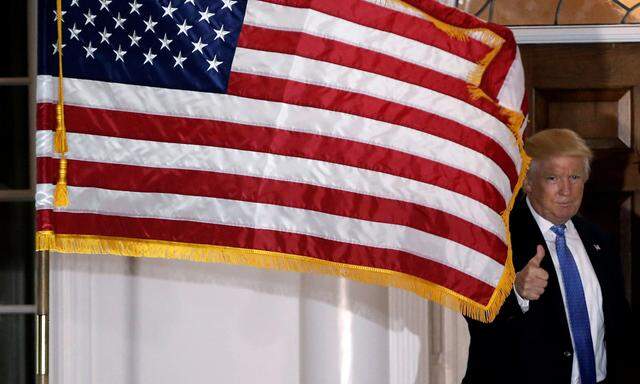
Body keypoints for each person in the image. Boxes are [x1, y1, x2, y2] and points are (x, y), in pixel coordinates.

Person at [463, 129, 630, 384]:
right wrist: (516, 293)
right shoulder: (497, 238)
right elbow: (479, 323)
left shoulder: (600, 241)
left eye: (574, 177)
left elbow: (620, 328)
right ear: (528, 183)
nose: (566, 190)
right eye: (553, 178)